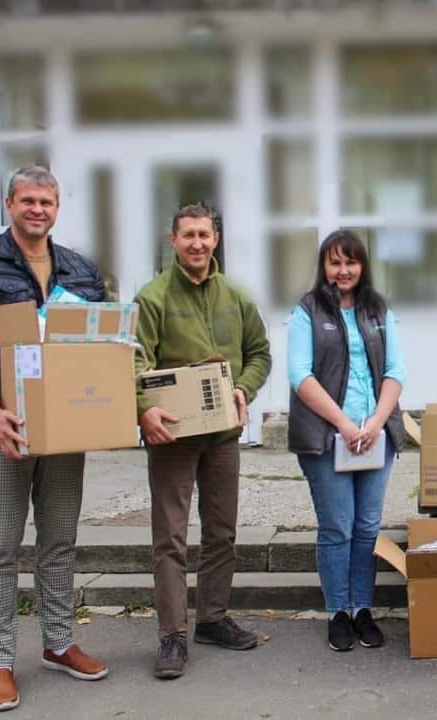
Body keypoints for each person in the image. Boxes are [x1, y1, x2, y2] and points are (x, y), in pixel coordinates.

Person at [0, 166, 110, 712]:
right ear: (9, 203)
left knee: (59, 539)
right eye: (28, 200)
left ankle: (59, 643)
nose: (38, 209)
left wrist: (100, 410)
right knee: (0, 546)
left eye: (47, 201)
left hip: (63, 429)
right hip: (4, 426)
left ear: (58, 208)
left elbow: (101, 348)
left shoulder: (82, 271)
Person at [134, 203, 271, 679]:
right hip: (171, 435)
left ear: (216, 240)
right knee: (170, 537)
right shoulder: (151, 298)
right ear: (172, 239)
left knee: (221, 531)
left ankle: (212, 618)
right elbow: (132, 362)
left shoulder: (235, 295)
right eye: (188, 234)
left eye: (205, 235)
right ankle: (171, 636)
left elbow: (260, 353)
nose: (197, 243)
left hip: (222, 435)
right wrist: (143, 408)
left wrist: (243, 388)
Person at [287, 229, 405, 652]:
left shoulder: (377, 309)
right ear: (323, 266)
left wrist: (375, 422)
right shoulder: (308, 309)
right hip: (327, 436)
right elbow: (300, 375)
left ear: (362, 265)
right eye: (334, 262)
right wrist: (344, 424)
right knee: (337, 527)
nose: (343, 270)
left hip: (375, 435)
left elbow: (395, 371)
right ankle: (338, 611)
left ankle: (363, 609)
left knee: (367, 526)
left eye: (350, 262)